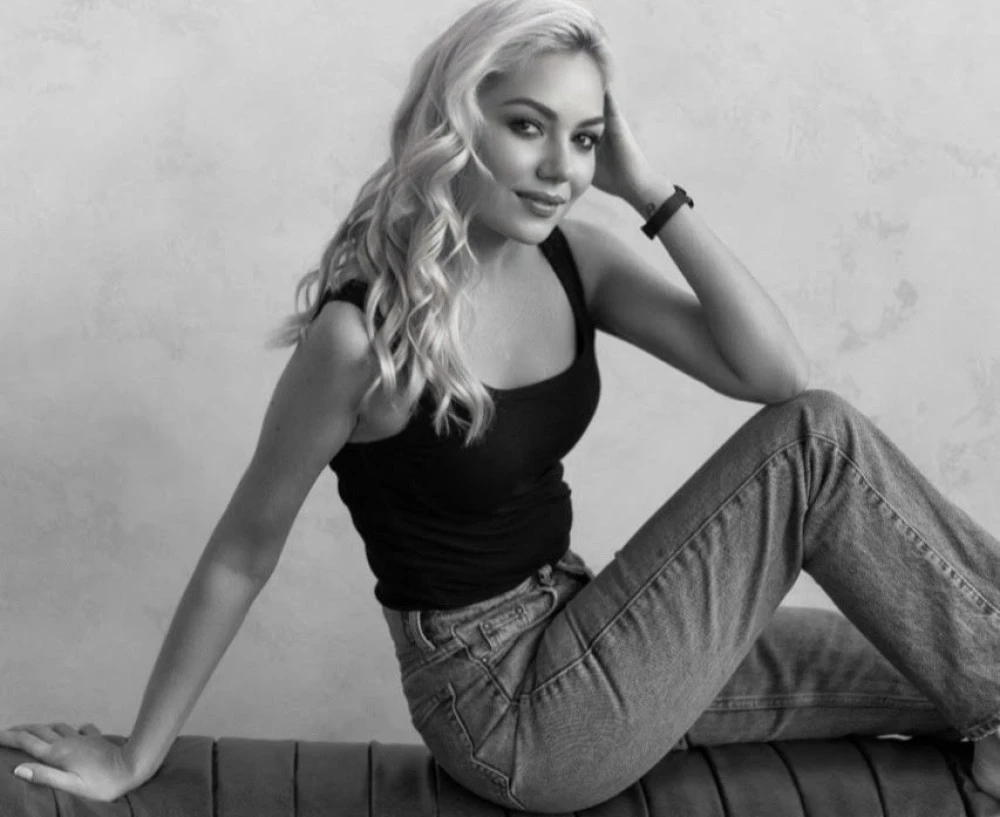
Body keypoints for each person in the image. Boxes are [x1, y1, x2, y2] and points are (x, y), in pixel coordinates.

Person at [3, 0, 999, 811]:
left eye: (586, 138)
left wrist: (648, 190)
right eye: (528, 126)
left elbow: (769, 369)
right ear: (455, 121)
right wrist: (134, 753)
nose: (563, 168)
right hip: (508, 714)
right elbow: (241, 550)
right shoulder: (360, 337)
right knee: (816, 443)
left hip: (591, 630)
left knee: (935, 655)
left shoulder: (575, 259)